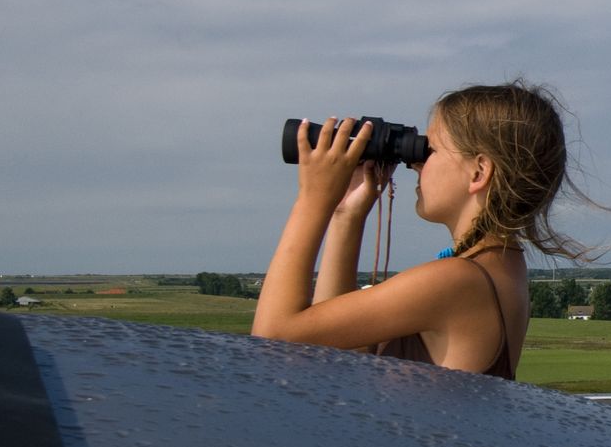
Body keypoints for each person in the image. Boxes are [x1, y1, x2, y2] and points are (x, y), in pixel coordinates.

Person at [252, 81, 593, 379]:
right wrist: (346, 216)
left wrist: (313, 199)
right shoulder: (501, 265)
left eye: (430, 151)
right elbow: (336, 351)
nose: (415, 163)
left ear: (478, 173)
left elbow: (273, 340)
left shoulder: (458, 281)